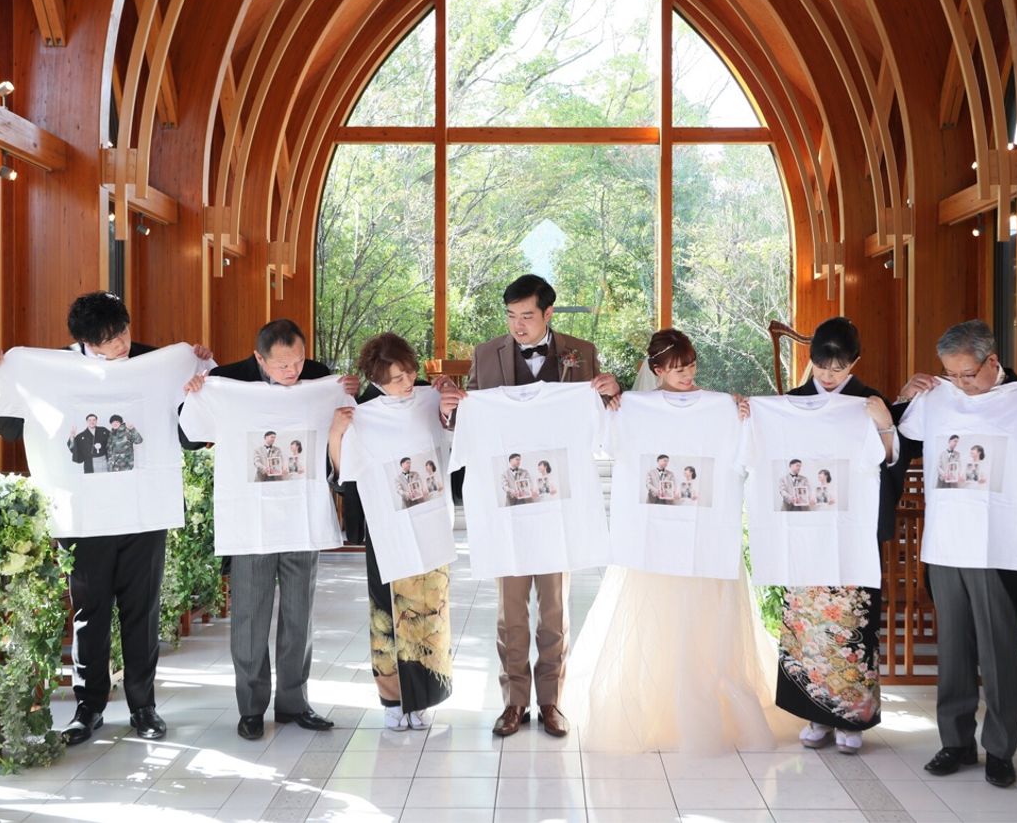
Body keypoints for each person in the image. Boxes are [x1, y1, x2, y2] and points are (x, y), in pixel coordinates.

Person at [0, 291, 212, 745]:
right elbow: (11, 426)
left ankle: (143, 706)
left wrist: (196, 384)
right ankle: (88, 709)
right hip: (83, 518)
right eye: (108, 340)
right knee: (91, 613)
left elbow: (190, 437)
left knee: (142, 611)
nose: (121, 344)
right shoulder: (52, 368)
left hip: (144, 515)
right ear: (85, 342)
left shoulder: (156, 363)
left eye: (123, 332)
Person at [894, 319, 1017, 787]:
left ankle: (1001, 750)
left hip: (998, 547)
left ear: (993, 361)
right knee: (952, 649)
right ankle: (956, 743)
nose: (959, 383)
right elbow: (899, 448)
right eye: (951, 374)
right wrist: (903, 398)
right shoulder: (937, 397)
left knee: (1000, 651)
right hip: (946, 543)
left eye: (967, 374)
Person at [565, 328, 782, 752]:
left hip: (706, 544)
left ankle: (707, 712)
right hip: (654, 545)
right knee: (658, 630)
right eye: (678, 369)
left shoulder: (721, 408)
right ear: (657, 369)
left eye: (692, 366)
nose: (688, 375)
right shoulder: (634, 408)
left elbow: (747, 452)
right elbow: (604, 442)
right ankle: (656, 712)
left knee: (704, 632)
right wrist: (612, 403)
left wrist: (744, 416)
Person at [437, 273, 620, 739]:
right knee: (511, 612)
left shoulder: (581, 351)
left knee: (554, 610)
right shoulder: (486, 354)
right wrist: (451, 407)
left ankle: (552, 701)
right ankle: (514, 701)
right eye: (511, 316)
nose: (518, 325)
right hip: (508, 509)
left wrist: (610, 394)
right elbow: (467, 420)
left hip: (558, 506)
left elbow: (601, 417)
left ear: (548, 313)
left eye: (527, 316)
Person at [189, 318, 358, 740]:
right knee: (249, 618)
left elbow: (356, 422)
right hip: (251, 526)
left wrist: (350, 393)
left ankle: (294, 703)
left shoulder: (320, 379)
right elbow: (187, 434)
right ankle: (251, 708)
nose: (292, 371)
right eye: (282, 364)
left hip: (303, 520)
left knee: (299, 616)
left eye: (298, 360)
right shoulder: (227, 381)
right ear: (259, 358)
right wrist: (194, 394)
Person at [780, 316, 909, 754]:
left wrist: (885, 424)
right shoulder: (793, 403)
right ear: (812, 359)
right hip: (807, 530)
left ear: (855, 361)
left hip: (854, 530)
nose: (829, 375)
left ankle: (851, 719)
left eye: (838, 367)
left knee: (854, 621)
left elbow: (891, 464)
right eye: (822, 366)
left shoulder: (869, 402)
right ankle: (815, 715)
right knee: (809, 623)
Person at [328, 332, 453, 732]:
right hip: (387, 527)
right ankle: (392, 698)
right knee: (385, 611)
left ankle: (425, 697)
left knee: (430, 609)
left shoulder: (429, 398)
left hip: (430, 521)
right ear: (376, 379)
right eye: (395, 378)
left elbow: (456, 436)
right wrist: (336, 433)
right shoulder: (363, 414)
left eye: (409, 372)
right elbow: (344, 472)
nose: (406, 382)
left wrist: (448, 403)